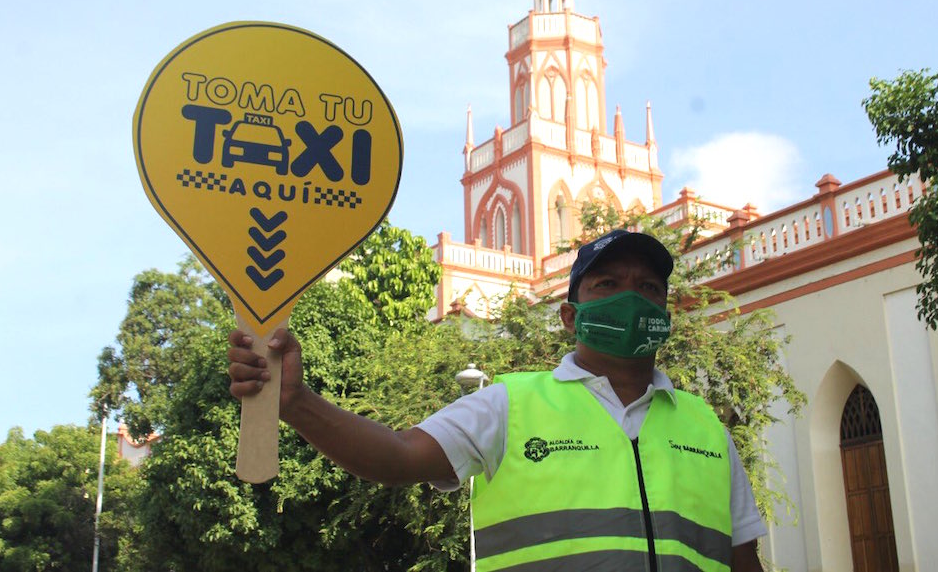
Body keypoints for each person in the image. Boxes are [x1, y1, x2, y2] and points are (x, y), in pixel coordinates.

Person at [228, 229, 766, 571]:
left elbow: (744, 559)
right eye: (607, 285)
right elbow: (396, 456)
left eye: (648, 288)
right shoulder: (510, 404)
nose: (631, 298)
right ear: (569, 316)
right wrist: (297, 402)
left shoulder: (705, 428)